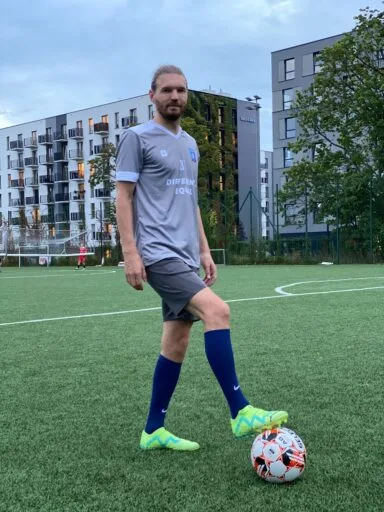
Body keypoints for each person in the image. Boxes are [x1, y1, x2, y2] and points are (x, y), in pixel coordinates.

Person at [115, 65, 288, 451]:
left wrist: (204, 250)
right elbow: (123, 197)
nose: (174, 97)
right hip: (157, 254)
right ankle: (240, 410)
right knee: (218, 312)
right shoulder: (136, 138)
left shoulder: (191, 143)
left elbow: (190, 201)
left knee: (176, 340)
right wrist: (130, 253)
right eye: (167, 91)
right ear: (152, 95)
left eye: (181, 90)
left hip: (185, 254)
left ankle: (153, 430)